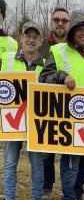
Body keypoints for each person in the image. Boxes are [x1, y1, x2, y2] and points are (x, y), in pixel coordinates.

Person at [39, 10, 84, 200]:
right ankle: (69, 197)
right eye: (79, 29)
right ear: (73, 32)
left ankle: (77, 193)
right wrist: (62, 76)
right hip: (68, 120)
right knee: (70, 164)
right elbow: (43, 78)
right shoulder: (58, 51)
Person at [1, 22, 45, 200]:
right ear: (21, 38)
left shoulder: (46, 64)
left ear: (40, 42)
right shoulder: (7, 59)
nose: (31, 40)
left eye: (35, 37)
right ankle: (10, 197)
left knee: (37, 164)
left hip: (36, 123)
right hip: (12, 121)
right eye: (28, 36)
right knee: (10, 163)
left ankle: (37, 197)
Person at [40, 7, 70, 200]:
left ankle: (73, 189)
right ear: (51, 23)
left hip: (70, 108)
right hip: (46, 106)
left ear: (69, 24)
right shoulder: (41, 46)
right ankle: (47, 187)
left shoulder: (74, 46)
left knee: (70, 153)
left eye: (64, 21)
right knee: (47, 153)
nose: (60, 23)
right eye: (56, 20)